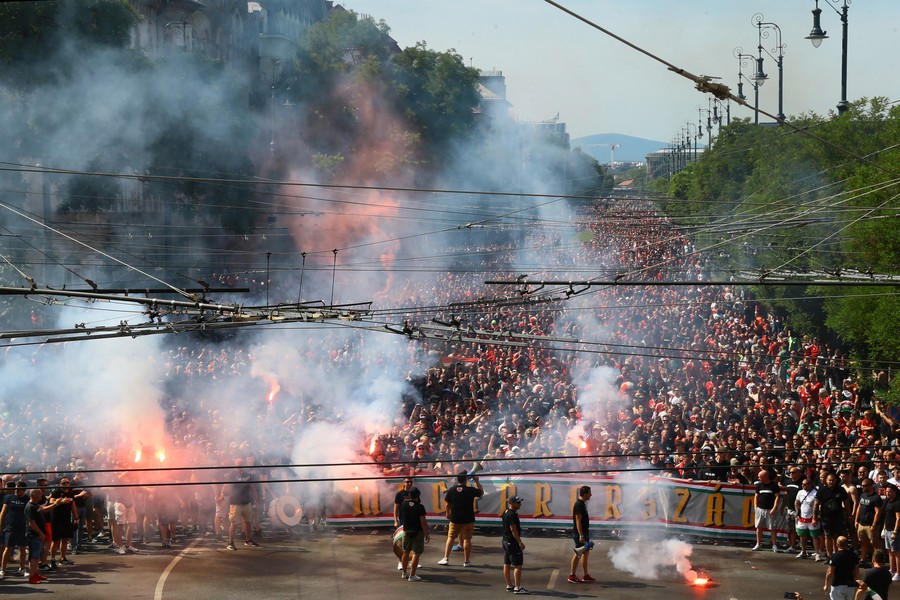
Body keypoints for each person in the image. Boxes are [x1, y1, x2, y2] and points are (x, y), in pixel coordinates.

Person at [438, 471, 483, 567]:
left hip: (455, 518)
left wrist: (447, 513)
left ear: (457, 479)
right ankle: (466, 561)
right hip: (468, 518)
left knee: (450, 538)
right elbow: (481, 493)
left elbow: (447, 504)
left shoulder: (452, 490)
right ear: (466, 480)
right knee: (467, 539)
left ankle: (446, 558)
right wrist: (477, 481)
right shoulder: (470, 490)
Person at [224, 468, 259, 550]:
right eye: (238, 465)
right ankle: (230, 543)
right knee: (234, 523)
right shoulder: (231, 474)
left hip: (247, 502)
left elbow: (252, 487)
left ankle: (248, 540)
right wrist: (222, 493)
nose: (240, 468)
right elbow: (226, 485)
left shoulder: (248, 475)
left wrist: (256, 499)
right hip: (235, 502)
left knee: (248, 522)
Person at [399, 487, 428, 582]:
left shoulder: (403, 504)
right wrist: (427, 534)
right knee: (416, 553)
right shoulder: (420, 507)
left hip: (406, 531)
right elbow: (423, 522)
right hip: (417, 532)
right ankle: (412, 575)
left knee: (406, 552)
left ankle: (404, 573)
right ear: (418, 496)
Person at [1, 480, 29, 578]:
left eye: (19, 490)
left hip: (23, 528)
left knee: (22, 548)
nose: (16, 491)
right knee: (8, 548)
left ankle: (22, 569)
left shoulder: (27, 499)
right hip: (10, 527)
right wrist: (0, 526)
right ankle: (2, 570)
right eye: (15, 489)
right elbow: (3, 513)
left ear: (24, 490)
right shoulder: (8, 497)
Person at [569, 485, 595, 584]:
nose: (591, 495)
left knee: (585, 552)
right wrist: (581, 535)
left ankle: (585, 575)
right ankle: (572, 575)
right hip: (580, 533)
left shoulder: (582, 504)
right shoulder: (579, 505)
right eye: (589, 493)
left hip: (584, 532)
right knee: (578, 553)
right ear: (585, 494)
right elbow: (578, 521)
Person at [502, 495, 527, 594]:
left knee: (507, 563)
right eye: (518, 502)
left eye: (520, 502)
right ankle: (517, 587)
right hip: (512, 542)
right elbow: (513, 530)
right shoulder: (512, 515)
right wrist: (520, 542)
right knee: (518, 564)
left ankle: (509, 585)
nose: (520, 504)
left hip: (505, 540)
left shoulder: (506, 512)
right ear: (511, 503)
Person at [857, 478, 885, 569]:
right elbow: (859, 508)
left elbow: (878, 512)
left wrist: (874, 524)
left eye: (865, 486)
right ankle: (863, 560)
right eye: (862, 486)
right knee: (863, 543)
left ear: (870, 486)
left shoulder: (876, 498)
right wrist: (856, 520)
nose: (863, 487)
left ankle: (878, 562)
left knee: (875, 544)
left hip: (871, 525)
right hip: (862, 524)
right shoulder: (862, 495)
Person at [753, 468, 781, 552]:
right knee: (759, 527)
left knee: (772, 528)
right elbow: (756, 496)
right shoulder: (759, 485)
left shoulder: (774, 486)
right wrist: (755, 506)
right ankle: (758, 544)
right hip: (760, 509)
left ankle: (774, 545)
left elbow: (777, 497)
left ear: (765, 477)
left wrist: (774, 508)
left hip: (770, 510)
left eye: (759, 477)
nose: (758, 478)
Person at [795, 478, 824, 561]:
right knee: (802, 535)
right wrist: (798, 513)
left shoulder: (816, 493)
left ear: (810, 485)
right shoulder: (800, 492)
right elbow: (797, 502)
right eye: (802, 484)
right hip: (802, 518)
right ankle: (803, 551)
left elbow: (819, 505)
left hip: (812, 518)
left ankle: (817, 553)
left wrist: (816, 517)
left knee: (815, 536)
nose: (803, 486)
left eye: (805, 484)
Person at [25, 488, 48, 585]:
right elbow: (32, 523)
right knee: (34, 557)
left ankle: (35, 573)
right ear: (34, 495)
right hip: (34, 535)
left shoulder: (36, 505)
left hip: (38, 535)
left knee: (37, 556)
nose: (41, 495)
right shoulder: (30, 507)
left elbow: (43, 509)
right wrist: (40, 533)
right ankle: (31, 577)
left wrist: (56, 504)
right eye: (39, 494)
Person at [394, 477, 415, 571]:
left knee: (413, 541)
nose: (409, 483)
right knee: (402, 543)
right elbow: (396, 508)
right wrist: (395, 520)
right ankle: (400, 562)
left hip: (413, 521)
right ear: (404, 483)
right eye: (407, 482)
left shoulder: (414, 493)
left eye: (411, 482)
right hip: (403, 521)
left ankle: (413, 560)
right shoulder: (399, 494)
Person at [880, 484, 900, 581]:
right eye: (886, 491)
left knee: (896, 552)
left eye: (890, 491)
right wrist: (883, 530)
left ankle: (898, 573)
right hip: (887, 530)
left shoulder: (898, 503)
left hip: (893, 531)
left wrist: (895, 532)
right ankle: (892, 570)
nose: (887, 493)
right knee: (889, 551)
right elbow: (886, 517)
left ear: (895, 492)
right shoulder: (888, 502)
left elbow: (898, 519)